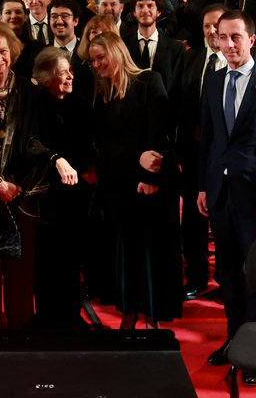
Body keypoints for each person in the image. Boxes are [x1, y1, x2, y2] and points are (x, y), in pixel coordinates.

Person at [197, 10, 256, 383]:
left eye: (236, 37)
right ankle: (235, 340)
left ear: (251, 40)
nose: (229, 44)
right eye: (223, 37)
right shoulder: (213, 80)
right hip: (221, 196)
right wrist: (204, 186)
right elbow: (208, 139)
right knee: (229, 277)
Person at [0, 20, 74, 330]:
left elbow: (34, 139)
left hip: (23, 192)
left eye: (2, 52)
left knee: (21, 268)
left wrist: (54, 159)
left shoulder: (29, 89)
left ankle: (21, 330)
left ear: (12, 51)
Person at [88, 30, 179, 329]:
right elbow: (103, 144)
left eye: (102, 57)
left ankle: (152, 314)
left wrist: (149, 174)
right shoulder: (102, 95)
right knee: (127, 253)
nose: (98, 64)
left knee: (152, 252)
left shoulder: (149, 81)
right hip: (120, 184)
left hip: (153, 183)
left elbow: (160, 132)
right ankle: (129, 310)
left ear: (117, 51)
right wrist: (136, 158)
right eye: (93, 61)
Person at [31, 46, 92, 328]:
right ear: (45, 79)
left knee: (72, 255)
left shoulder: (80, 104)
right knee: (46, 257)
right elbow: (30, 143)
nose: (70, 76)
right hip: (44, 193)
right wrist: (55, 160)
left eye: (70, 71)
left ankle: (70, 313)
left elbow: (89, 147)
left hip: (76, 193)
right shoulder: (34, 104)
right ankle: (45, 314)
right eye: (62, 72)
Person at [172, 4, 226, 300]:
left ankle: (226, 276)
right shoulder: (190, 58)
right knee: (192, 219)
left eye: (217, 24)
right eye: (207, 26)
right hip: (193, 153)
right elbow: (178, 102)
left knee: (222, 217)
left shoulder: (236, 60)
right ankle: (196, 276)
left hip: (225, 156)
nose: (212, 31)